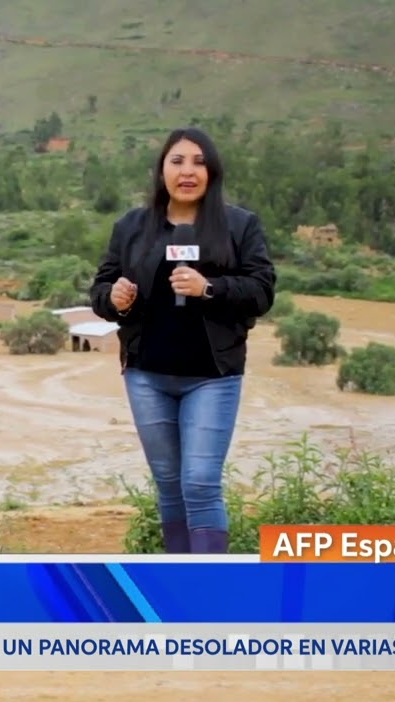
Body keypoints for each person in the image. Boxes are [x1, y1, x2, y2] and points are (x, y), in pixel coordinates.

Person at [88, 127, 277, 554]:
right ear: (161, 171)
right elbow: (100, 290)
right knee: (170, 484)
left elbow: (262, 291)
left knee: (200, 481)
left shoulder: (240, 226)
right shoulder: (132, 227)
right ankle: (179, 581)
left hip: (212, 376)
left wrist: (209, 287)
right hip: (147, 376)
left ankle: (209, 589)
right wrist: (114, 297)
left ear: (212, 172)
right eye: (177, 162)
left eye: (198, 162)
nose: (187, 172)